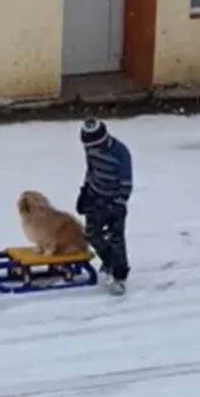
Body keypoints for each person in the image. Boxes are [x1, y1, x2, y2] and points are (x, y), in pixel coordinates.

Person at [75, 118, 133, 295]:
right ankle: (108, 261)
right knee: (92, 234)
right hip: (95, 196)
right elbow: (91, 169)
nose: (90, 150)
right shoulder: (91, 150)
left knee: (116, 239)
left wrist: (120, 203)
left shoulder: (120, 153)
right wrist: (85, 190)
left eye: (94, 146)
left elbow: (126, 181)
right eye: (88, 147)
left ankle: (120, 276)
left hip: (114, 200)